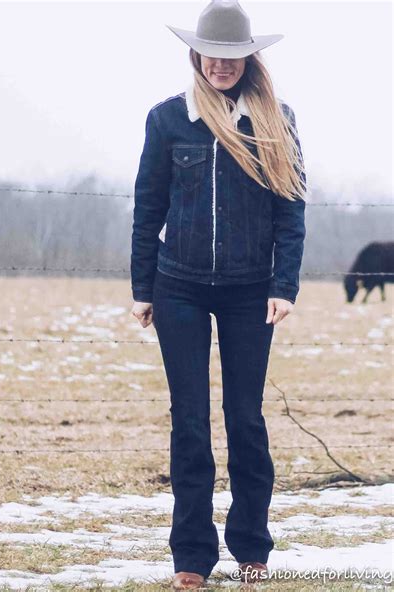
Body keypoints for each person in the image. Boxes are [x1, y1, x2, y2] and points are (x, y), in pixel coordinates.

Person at [130, 1, 306, 589]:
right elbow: (148, 207)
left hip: (250, 293)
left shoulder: (276, 121)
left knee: (245, 419)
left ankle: (253, 550)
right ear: (197, 54)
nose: (221, 65)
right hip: (176, 285)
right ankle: (191, 559)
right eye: (213, 54)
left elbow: (291, 211)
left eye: (233, 56)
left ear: (249, 58)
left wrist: (285, 286)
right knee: (190, 422)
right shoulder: (168, 119)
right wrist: (141, 287)